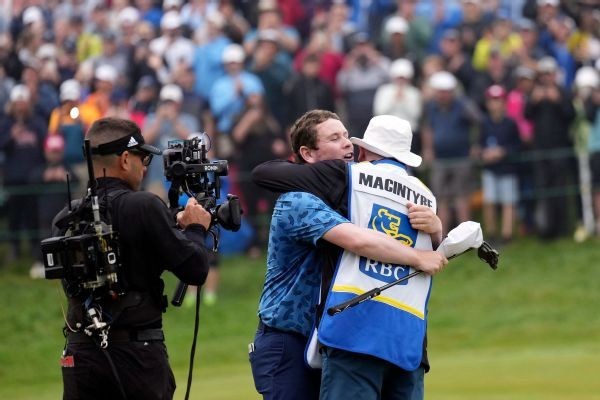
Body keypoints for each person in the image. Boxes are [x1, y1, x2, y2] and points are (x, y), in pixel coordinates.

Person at [250, 111, 447, 400]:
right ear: (307, 153)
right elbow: (357, 239)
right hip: (289, 338)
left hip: (334, 333)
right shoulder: (297, 199)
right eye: (335, 138)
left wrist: (436, 230)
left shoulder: (356, 195)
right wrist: (417, 256)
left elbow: (387, 241)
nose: (348, 145)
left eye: (346, 135)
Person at [55, 117, 212, 400]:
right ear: (126, 159)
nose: (144, 167)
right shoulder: (144, 206)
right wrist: (197, 229)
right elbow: (196, 270)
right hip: (136, 355)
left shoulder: (67, 216)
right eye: (143, 159)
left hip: (80, 355)